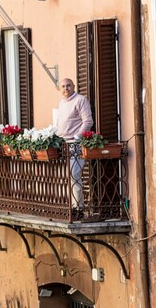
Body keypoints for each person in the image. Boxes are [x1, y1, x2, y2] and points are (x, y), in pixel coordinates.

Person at [55, 78, 93, 219]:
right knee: (66, 177)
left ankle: (79, 209)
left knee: (74, 175)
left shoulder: (80, 100)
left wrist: (77, 137)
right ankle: (70, 207)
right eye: (63, 86)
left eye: (68, 86)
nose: (66, 88)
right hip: (63, 145)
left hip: (75, 145)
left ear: (74, 86)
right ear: (60, 89)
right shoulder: (62, 103)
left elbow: (88, 121)